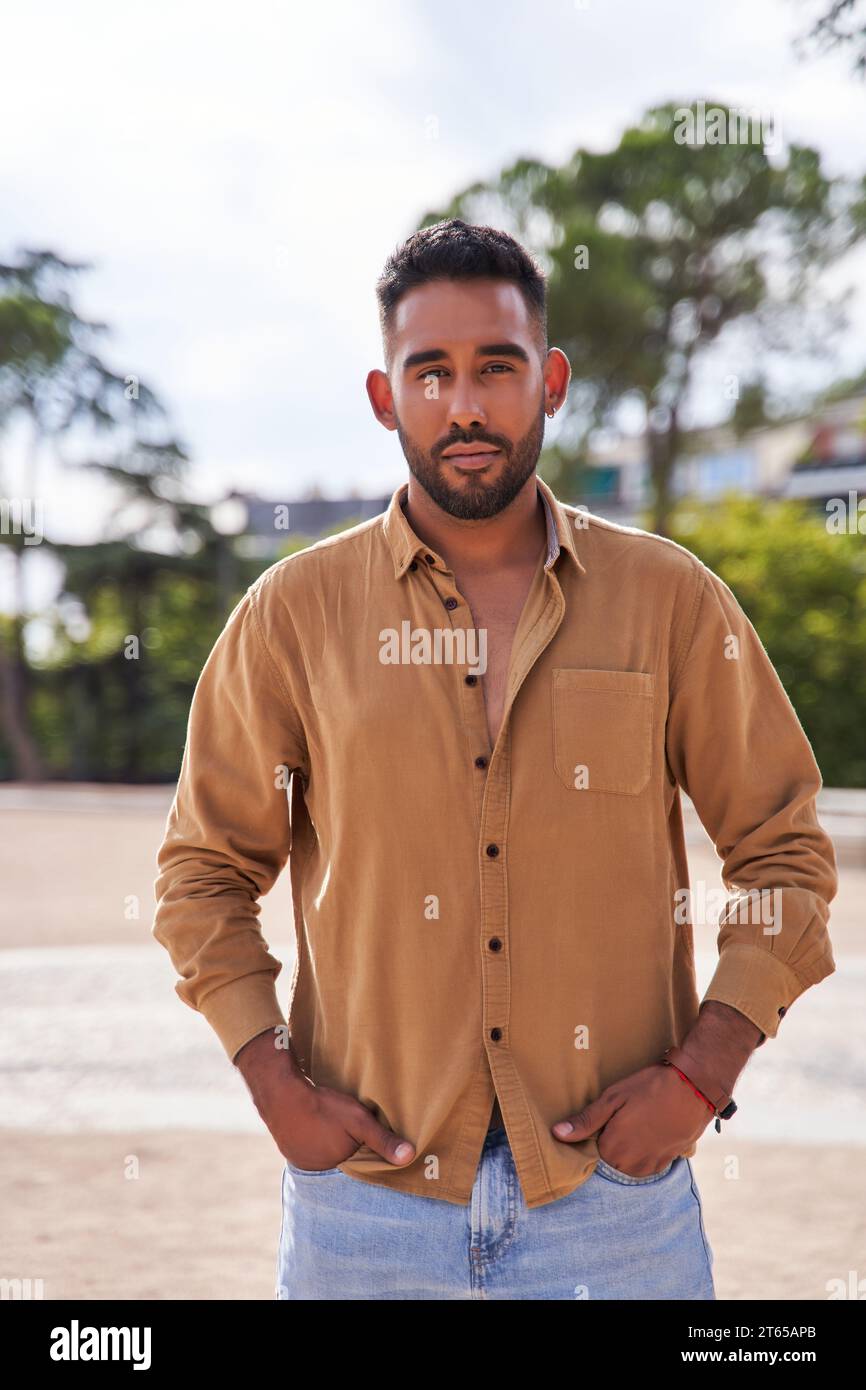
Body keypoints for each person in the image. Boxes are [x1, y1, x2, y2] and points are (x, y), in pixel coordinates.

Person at [153, 218, 838, 1300]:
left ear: (550, 381)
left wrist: (702, 1074)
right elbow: (201, 875)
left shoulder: (669, 603)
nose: (462, 405)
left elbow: (782, 852)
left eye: (495, 368)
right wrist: (270, 1078)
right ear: (384, 396)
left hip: (613, 1217)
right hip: (365, 1216)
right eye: (429, 373)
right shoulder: (291, 617)